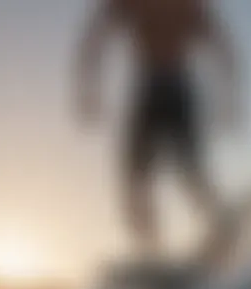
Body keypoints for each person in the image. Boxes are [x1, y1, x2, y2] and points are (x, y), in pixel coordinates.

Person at [75, 0, 242, 266]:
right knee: (135, 180)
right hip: (150, 89)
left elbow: (223, 48)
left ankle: (226, 233)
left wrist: (231, 99)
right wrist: (87, 88)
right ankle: (153, 253)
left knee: (190, 173)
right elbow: (96, 38)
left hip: (176, 89)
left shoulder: (189, 6)